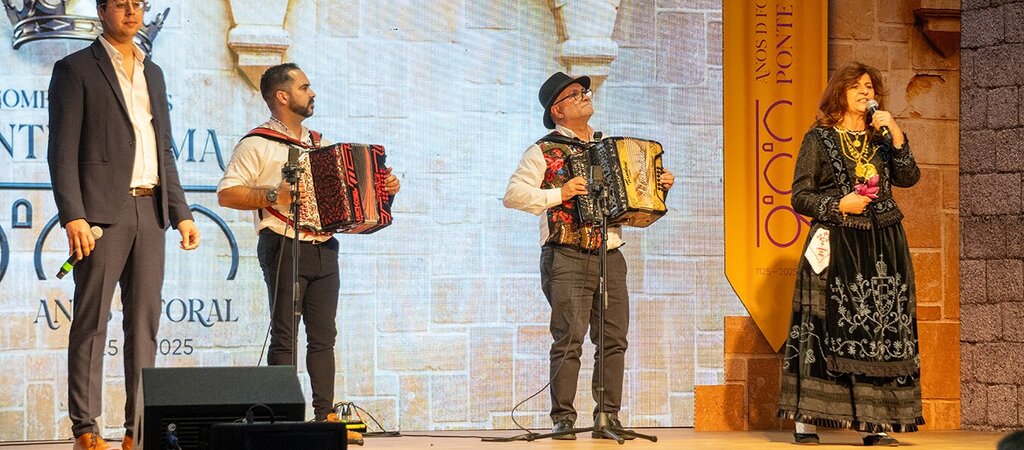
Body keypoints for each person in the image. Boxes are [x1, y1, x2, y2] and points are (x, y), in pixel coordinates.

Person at [216, 63, 399, 441]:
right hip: (282, 241)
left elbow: (348, 195)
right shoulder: (256, 143)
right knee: (285, 336)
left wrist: (385, 189)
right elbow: (227, 193)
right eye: (304, 87)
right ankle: (280, 421)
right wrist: (274, 194)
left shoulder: (321, 144)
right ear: (282, 96)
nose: (312, 93)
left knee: (324, 336)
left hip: (324, 246)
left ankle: (324, 417)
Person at [46, 1, 201, 449]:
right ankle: (86, 428)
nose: (131, 12)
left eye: (137, 4)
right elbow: (61, 151)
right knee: (92, 320)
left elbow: (163, 148)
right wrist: (73, 215)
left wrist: (181, 212)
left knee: (144, 324)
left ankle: (137, 429)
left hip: (151, 212)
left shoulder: (154, 72)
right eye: (120, 4)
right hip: (100, 214)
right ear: (101, 10)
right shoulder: (75, 69)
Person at [503, 72, 674, 440]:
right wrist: (560, 192)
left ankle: (607, 416)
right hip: (566, 254)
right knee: (569, 338)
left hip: (609, 253)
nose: (584, 96)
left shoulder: (609, 149)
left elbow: (632, 206)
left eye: (584, 91)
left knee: (613, 338)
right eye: (574, 94)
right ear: (557, 110)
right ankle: (563, 419)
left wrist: (657, 187)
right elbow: (514, 195)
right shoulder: (543, 151)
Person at [776, 62, 923, 446]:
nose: (865, 92)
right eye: (857, 86)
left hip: (883, 245)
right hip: (837, 242)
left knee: (879, 331)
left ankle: (874, 424)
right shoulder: (819, 139)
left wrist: (897, 134)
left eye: (870, 86)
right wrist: (839, 204)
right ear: (839, 92)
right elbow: (800, 196)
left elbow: (909, 177)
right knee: (824, 326)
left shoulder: (881, 138)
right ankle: (806, 420)